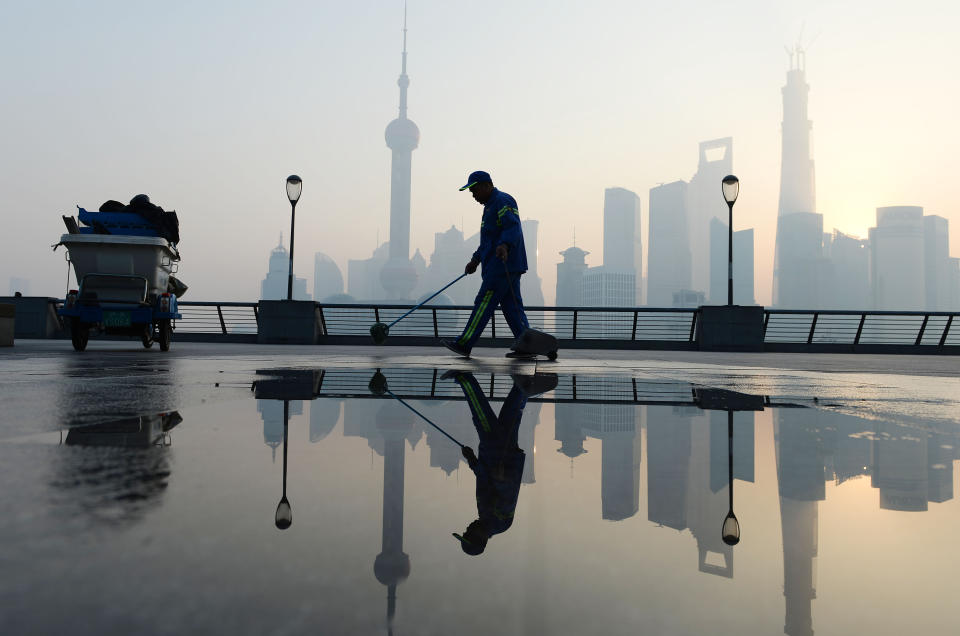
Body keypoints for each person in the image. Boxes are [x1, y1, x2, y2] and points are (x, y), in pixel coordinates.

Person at [441, 171, 529, 358]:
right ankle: (527, 344)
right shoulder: (489, 207)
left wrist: (505, 245)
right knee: (512, 307)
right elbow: (488, 242)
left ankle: (465, 343)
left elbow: (512, 227)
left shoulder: (503, 201)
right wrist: (475, 260)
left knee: (484, 302)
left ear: (486, 185)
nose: (473, 196)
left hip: (502, 265)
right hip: (501, 266)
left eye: (474, 191)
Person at [447, 371, 528, 555]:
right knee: (481, 415)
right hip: (499, 454)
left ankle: (526, 381)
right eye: (468, 532)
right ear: (479, 538)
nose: (467, 527)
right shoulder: (500, 522)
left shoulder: (484, 515)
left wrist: (472, 460)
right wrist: (501, 479)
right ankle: (465, 379)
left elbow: (484, 481)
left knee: (511, 412)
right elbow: (508, 494)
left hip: (493, 455)